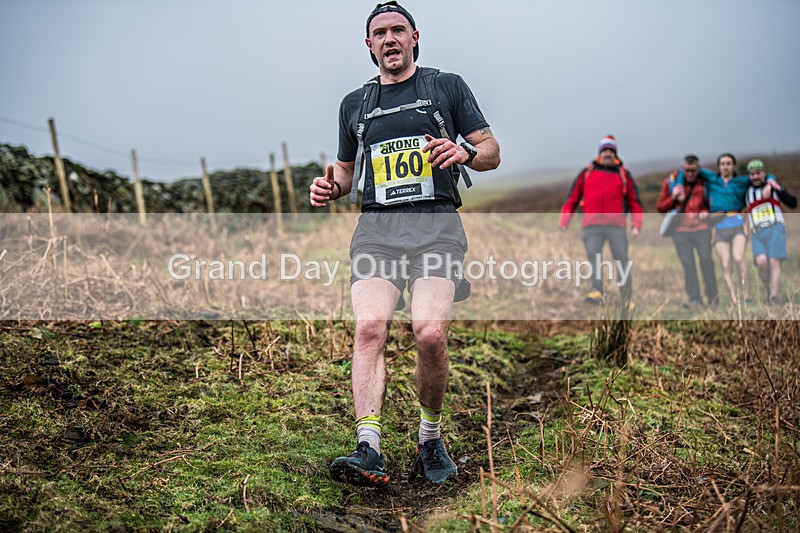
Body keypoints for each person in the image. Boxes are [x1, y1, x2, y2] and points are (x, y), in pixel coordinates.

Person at [309, 1, 500, 486]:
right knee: (369, 329)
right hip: (377, 230)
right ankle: (368, 448)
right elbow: (346, 174)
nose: (389, 39)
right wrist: (329, 187)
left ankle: (429, 439)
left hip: (436, 226)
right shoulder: (355, 104)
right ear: (369, 45)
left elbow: (491, 152)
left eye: (398, 30)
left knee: (429, 333)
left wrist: (465, 151)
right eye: (380, 33)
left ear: (415, 37)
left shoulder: (445, 86)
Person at [673, 154, 780, 306]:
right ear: (719, 166)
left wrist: (771, 182)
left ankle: (747, 297)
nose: (725, 166)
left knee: (739, 258)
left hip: (737, 224)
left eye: (729, 163)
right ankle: (735, 301)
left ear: (733, 166)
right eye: (722, 163)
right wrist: (678, 186)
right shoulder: (712, 179)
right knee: (725, 264)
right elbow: (683, 169)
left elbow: (764, 175)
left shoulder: (741, 181)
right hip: (718, 226)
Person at [559, 135, 643, 304]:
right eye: (604, 150)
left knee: (622, 259)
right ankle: (597, 292)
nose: (607, 153)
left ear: (615, 153)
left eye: (611, 150)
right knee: (594, 257)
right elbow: (572, 199)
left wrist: (636, 224)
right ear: (599, 152)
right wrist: (564, 220)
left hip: (616, 226)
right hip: (591, 225)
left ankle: (626, 298)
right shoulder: (587, 172)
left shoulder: (623, 174)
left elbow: (634, 202)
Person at [656, 155, 718, 308]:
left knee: (706, 261)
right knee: (688, 264)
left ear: (699, 169)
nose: (690, 174)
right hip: (680, 231)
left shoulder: (705, 184)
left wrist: (708, 212)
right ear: (682, 169)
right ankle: (694, 299)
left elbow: (716, 204)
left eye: (693, 170)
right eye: (687, 170)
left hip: (702, 229)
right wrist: (673, 197)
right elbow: (660, 208)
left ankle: (713, 298)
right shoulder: (671, 183)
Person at [744, 159, 796, 305]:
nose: (755, 177)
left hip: (774, 228)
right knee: (761, 262)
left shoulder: (773, 187)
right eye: (752, 174)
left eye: (758, 173)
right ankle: (768, 288)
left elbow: (792, 203)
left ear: (764, 173)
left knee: (774, 261)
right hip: (757, 231)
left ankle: (774, 296)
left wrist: (776, 186)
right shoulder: (747, 192)